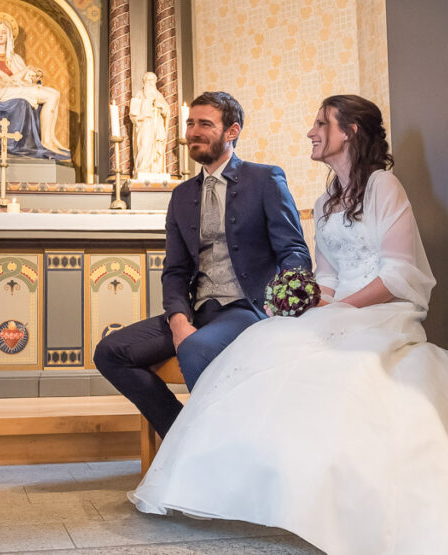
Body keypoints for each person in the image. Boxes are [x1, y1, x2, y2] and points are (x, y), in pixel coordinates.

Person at [129, 95, 448, 555]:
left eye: (320, 123)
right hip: (340, 309)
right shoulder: (326, 199)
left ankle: (347, 498)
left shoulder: (384, 186)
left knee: (334, 367)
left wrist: (340, 308)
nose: (310, 131)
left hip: (384, 312)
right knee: (270, 343)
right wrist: (305, 303)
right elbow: (325, 278)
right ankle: (266, 484)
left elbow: (398, 273)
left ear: (347, 132)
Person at [93, 91, 311, 438]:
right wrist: (178, 321)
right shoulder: (182, 195)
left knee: (195, 347)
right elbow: (176, 270)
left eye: (205, 124)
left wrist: (279, 307)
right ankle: (185, 438)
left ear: (232, 131)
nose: (194, 132)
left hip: (248, 307)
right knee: (110, 352)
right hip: (197, 311)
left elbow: (295, 252)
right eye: (191, 123)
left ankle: (212, 448)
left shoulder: (264, 180)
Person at [0, 14, 69, 157]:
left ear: (9, 36)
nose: (1, 35)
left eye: (4, 32)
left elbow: (23, 81)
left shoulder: (16, 59)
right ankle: (46, 142)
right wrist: (23, 73)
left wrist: (32, 76)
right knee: (52, 95)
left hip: (16, 90)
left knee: (55, 94)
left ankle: (51, 140)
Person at [129, 71, 170, 178]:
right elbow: (133, 113)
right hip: (145, 124)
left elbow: (166, 111)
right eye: (148, 80)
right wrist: (142, 116)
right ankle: (142, 168)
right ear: (144, 82)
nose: (151, 83)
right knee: (144, 145)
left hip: (157, 124)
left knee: (156, 147)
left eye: (153, 80)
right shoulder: (139, 94)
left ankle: (156, 169)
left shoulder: (159, 95)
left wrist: (160, 106)